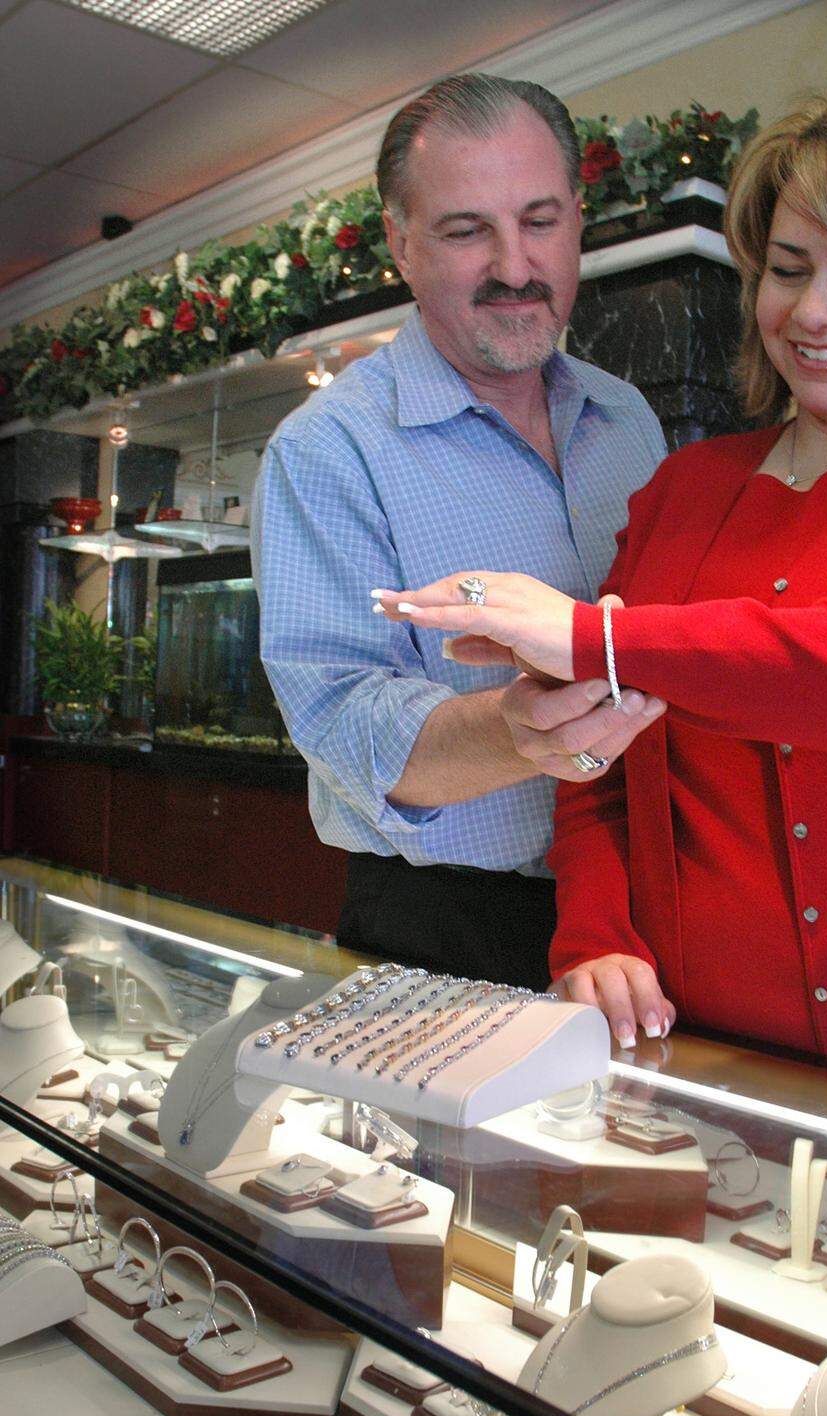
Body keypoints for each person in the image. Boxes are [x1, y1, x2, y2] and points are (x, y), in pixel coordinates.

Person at [374, 62, 827, 1110]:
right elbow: (602, 759)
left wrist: (593, 637)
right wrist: (595, 931)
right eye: (788, 266)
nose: (814, 310)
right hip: (708, 1058)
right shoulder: (685, 490)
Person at [253, 74, 667, 992]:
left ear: (578, 220)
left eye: (540, 220)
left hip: (640, 912)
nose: (516, 266)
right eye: (467, 230)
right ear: (400, 242)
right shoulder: (325, 449)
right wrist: (515, 731)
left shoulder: (628, 417)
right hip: (442, 925)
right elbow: (340, 716)